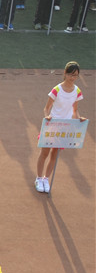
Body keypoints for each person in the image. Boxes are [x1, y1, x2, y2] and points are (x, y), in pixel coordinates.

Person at [35, 61, 84, 193]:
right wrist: (47, 117)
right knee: (44, 153)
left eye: (76, 76)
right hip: (52, 125)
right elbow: (46, 108)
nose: (73, 78)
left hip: (64, 127)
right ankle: (39, 178)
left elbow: (75, 110)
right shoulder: (56, 90)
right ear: (65, 73)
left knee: (54, 155)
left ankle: (46, 179)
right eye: (71, 75)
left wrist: (79, 118)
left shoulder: (77, 91)